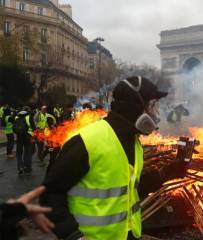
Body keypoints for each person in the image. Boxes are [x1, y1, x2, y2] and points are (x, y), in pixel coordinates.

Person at [40, 76, 187, 240]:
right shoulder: (87, 141)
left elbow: (128, 191)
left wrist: (165, 173)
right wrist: (73, 236)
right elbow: (50, 194)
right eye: (152, 105)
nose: (155, 113)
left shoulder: (134, 143)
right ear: (136, 106)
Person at [14, 106, 36, 176]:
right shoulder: (29, 117)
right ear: (28, 111)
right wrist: (33, 136)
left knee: (19, 153)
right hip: (28, 137)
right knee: (27, 152)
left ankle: (20, 167)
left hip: (19, 137)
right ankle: (28, 168)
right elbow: (34, 128)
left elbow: (14, 128)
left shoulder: (16, 117)